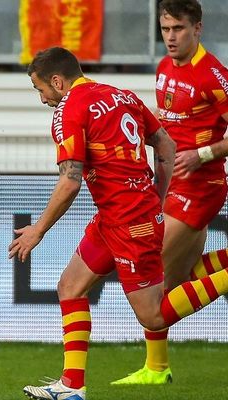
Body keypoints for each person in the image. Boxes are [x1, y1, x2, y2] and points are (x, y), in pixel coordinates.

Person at [10, 46, 228, 400]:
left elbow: (69, 181)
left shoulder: (69, 111)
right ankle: (72, 387)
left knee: (154, 317)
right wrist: (156, 196)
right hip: (116, 217)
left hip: (128, 222)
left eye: (41, 90)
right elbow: (166, 146)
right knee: (70, 286)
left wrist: (38, 230)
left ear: (56, 81)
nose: (43, 99)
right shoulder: (120, 95)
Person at [111, 0, 228, 385]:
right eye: (165, 29)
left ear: (197, 28)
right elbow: (167, 123)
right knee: (169, 285)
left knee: (151, 271)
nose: (171, 37)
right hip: (174, 183)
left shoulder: (212, 74)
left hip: (201, 187)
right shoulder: (163, 68)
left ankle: (157, 366)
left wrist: (203, 154)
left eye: (178, 28)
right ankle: (157, 368)